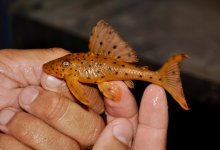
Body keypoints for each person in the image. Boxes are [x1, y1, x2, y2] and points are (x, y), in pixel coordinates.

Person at [0, 48, 168, 150]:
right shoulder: (68, 73)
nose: (61, 67)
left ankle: (161, 76)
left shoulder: (71, 73)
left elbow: (82, 96)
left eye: (64, 65)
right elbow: (82, 97)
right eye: (64, 65)